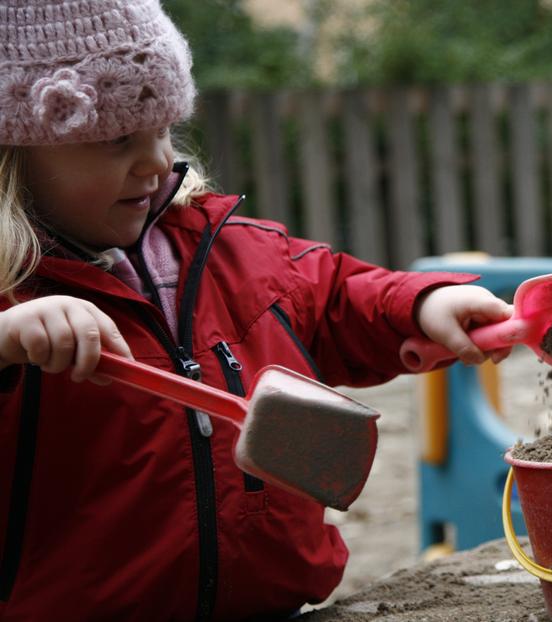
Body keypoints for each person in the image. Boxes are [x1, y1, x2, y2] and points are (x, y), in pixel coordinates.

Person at [0, 2, 513, 619]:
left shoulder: (223, 248)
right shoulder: (15, 291)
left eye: (164, 130)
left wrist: (421, 304)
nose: (159, 161)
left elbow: (333, 294)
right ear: (17, 153)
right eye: (118, 140)